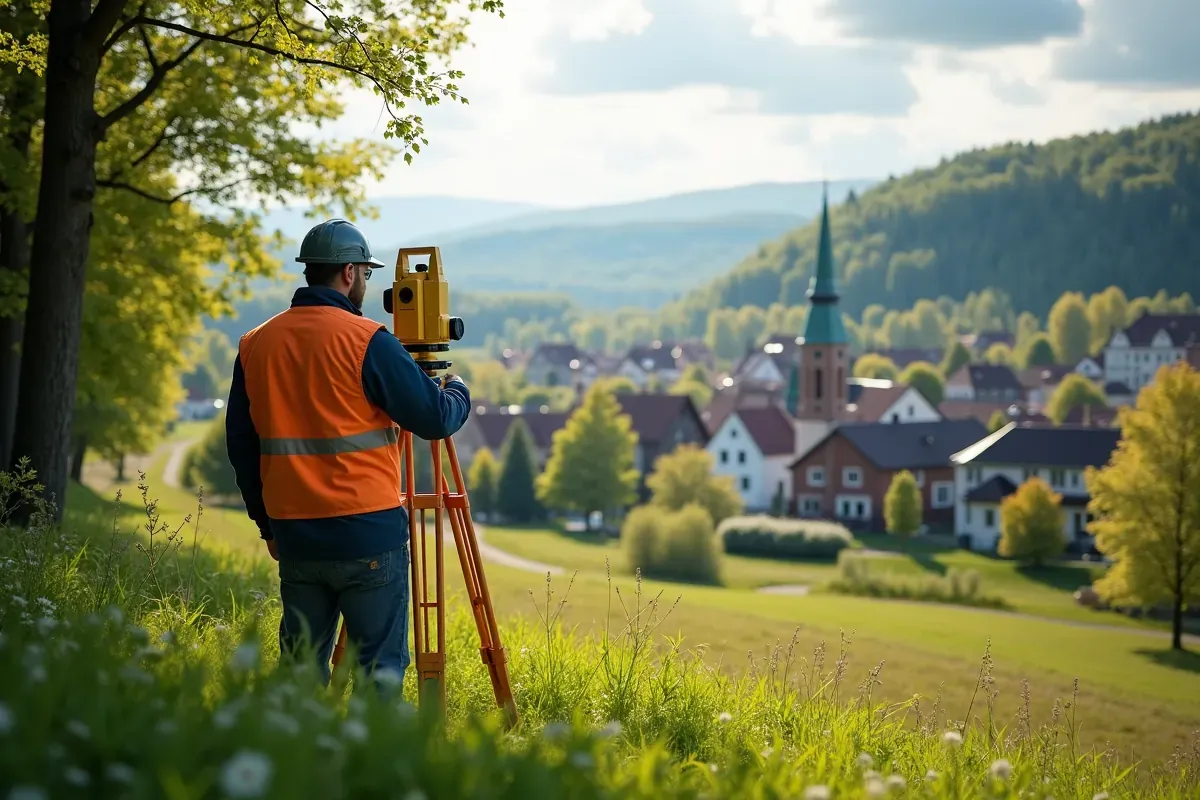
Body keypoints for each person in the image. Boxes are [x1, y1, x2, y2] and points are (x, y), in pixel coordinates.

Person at [224, 218, 471, 689]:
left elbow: (241, 445)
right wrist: (457, 391)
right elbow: (435, 418)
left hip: (295, 534)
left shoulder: (256, 344)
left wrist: (266, 526)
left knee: (299, 673)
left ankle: (296, 760)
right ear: (350, 273)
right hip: (367, 534)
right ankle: (375, 762)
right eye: (367, 274)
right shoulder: (367, 339)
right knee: (379, 673)